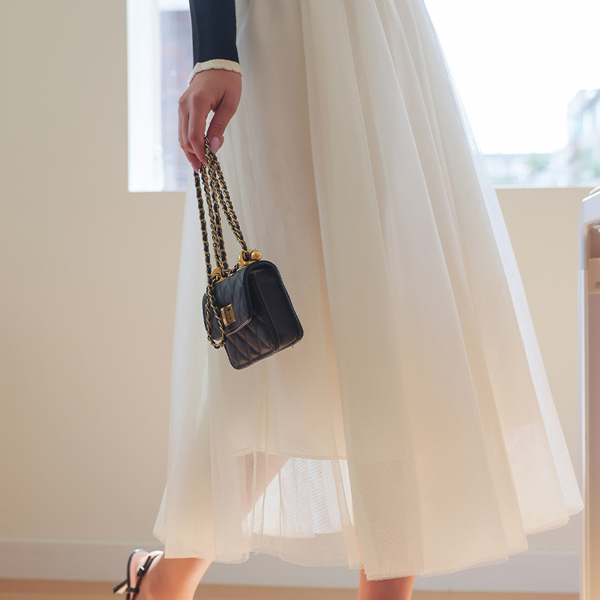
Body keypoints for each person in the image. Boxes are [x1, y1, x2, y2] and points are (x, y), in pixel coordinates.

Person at [114, 0, 585, 599]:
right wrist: (212, 52)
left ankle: (170, 581)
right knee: (282, 346)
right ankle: (166, 580)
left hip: (381, 38)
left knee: (397, 333)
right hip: (283, 41)